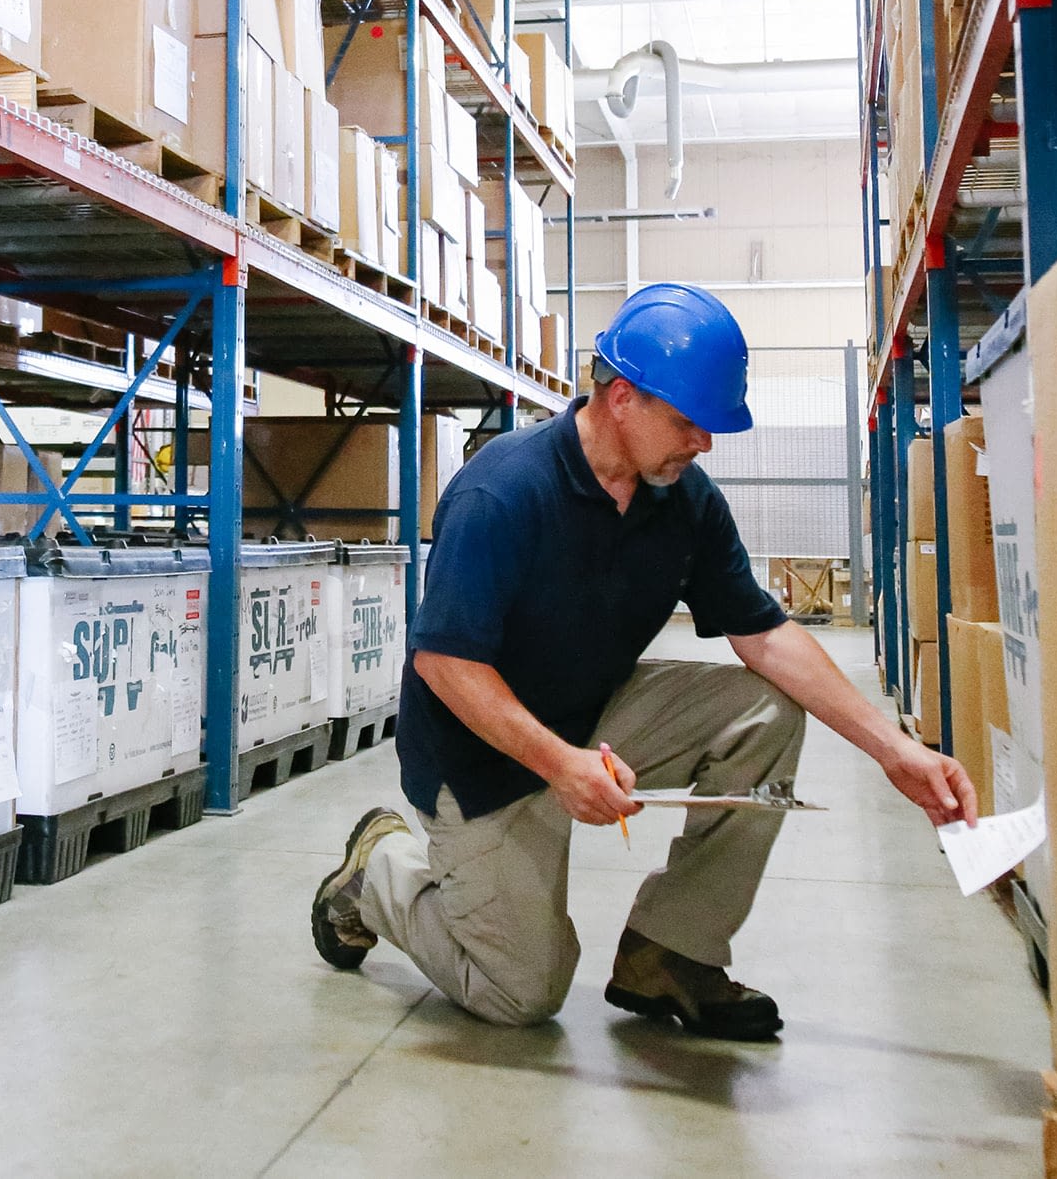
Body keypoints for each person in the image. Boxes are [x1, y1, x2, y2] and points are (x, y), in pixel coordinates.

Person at [311, 282, 977, 1041]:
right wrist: (561, 765)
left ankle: (671, 951)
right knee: (523, 991)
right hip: (480, 761)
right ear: (622, 397)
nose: (705, 443)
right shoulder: (505, 490)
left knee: (763, 710)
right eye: (689, 422)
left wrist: (896, 750)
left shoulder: (684, 502)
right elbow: (445, 664)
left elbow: (764, 635)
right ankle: (379, 873)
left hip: (593, 717)